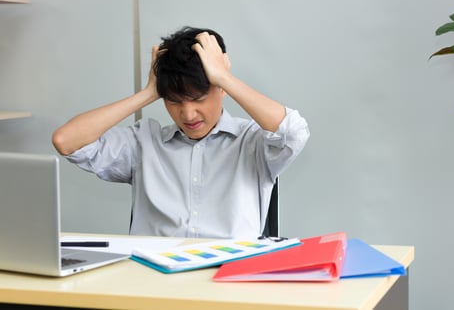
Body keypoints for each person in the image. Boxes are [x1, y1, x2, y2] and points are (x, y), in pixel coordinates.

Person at [52, 27, 309, 238]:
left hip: (227, 281)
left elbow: (294, 133)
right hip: (152, 281)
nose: (187, 115)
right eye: (174, 101)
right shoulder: (144, 142)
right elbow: (66, 142)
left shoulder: (253, 141)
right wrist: (148, 93)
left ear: (220, 89)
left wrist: (224, 78)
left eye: (197, 99)